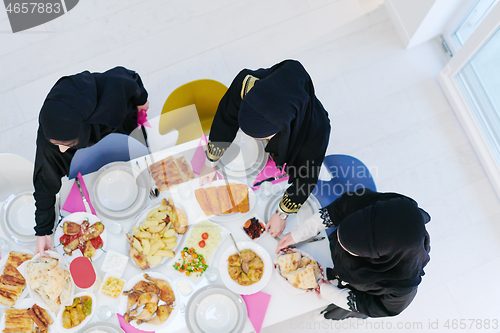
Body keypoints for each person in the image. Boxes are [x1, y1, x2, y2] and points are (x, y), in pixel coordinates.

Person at [199, 60, 330, 237]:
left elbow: (305, 180)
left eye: (262, 137)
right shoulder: (247, 85)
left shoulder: (316, 134)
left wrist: (282, 215)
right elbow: (225, 119)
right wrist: (210, 162)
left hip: (302, 132)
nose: (251, 139)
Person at [33, 66, 149, 256]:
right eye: (57, 144)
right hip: (94, 180)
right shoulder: (51, 137)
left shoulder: (111, 93)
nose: (61, 150)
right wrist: (43, 231)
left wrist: (142, 100)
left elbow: (130, 80)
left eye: (67, 143)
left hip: (120, 133)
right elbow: (45, 184)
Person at [277, 188, 431, 319]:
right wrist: (298, 234)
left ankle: (325, 315)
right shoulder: (386, 205)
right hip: (335, 260)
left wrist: (330, 293)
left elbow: (371, 305)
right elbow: (339, 209)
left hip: (353, 291)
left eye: (352, 251)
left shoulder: (402, 287)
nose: (345, 249)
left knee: (331, 311)